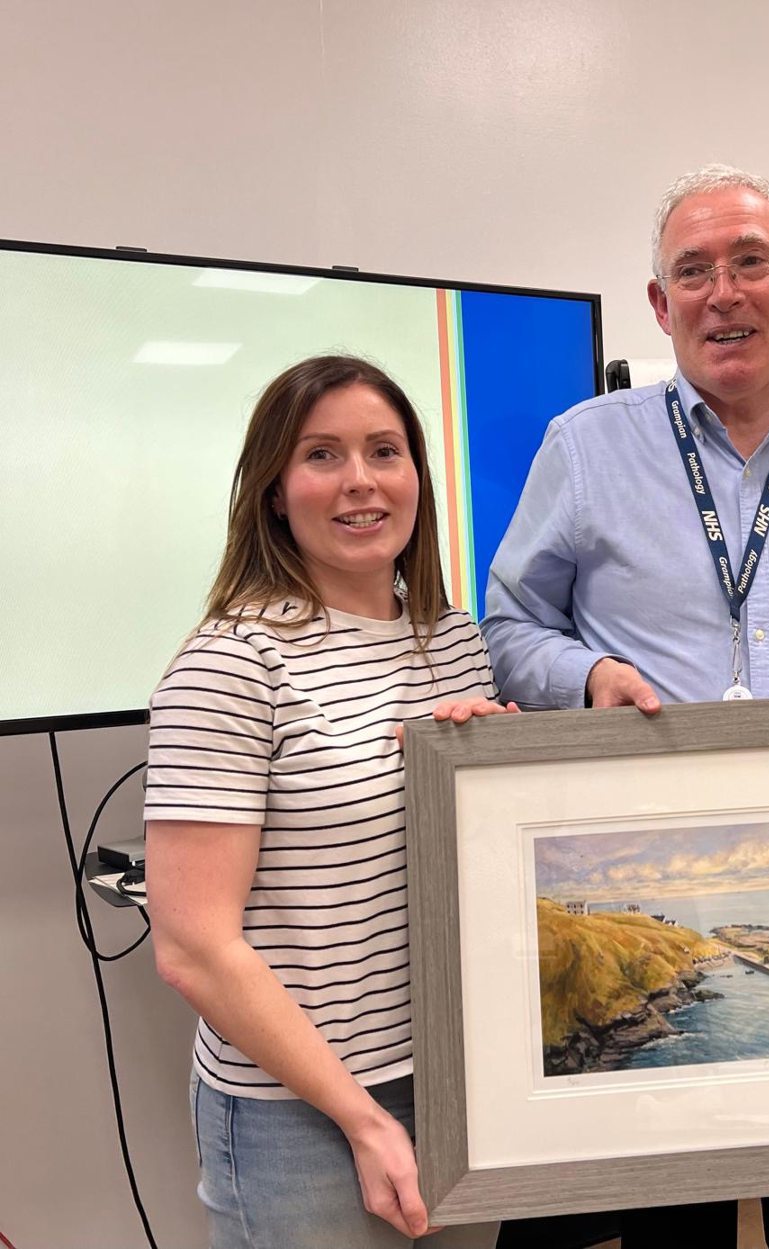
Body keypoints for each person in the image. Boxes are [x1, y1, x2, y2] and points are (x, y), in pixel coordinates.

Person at [481, 165, 769, 1248]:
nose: (723, 293)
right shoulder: (583, 447)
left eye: (750, 262)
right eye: (693, 272)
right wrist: (588, 677)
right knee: (671, 1222)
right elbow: (506, 631)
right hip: (660, 872)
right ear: (659, 304)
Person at [144, 355, 516, 1248]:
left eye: (385, 451)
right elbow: (193, 945)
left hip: (459, 1088)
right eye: (322, 455)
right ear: (275, 490)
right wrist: (362, 1118)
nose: (361, 481)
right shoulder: (232, 663)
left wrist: (492, 768)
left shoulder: (453, 641)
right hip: (298, 1118)